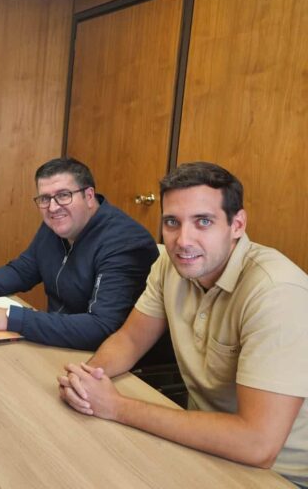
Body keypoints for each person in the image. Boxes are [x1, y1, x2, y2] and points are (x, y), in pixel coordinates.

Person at [58, 162, 308, 488]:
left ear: (237, 225)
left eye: (203, 221)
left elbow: (258, 444)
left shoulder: (277, 292)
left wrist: (116, 406)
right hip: (200, 444)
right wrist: (87, 383)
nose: (183, 240)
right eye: (172, 222)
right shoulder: (169, 264)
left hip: (278, 474)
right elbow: (131, 340)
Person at [0, 157, 158, 350]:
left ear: (89, 196)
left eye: (63, 195)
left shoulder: (125, 242)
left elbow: (102, 328)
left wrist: (11, 318)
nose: (53, 208)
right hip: (57, 342)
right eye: (44, 199)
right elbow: (24, 269)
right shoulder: (57, 225)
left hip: (107, 362)